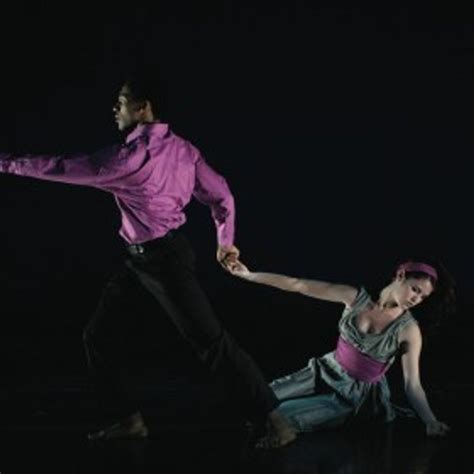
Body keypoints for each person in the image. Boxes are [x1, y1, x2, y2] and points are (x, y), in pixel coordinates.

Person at [0, 74, 295, 447]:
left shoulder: (127, 159)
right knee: (98, 336)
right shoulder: (184, 150)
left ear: (143, 109)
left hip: (164, 264)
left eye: (122, 102)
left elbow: (58, 166)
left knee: (211, 343)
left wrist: (5, 163)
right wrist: (225, 243)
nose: (115, 108)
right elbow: (222, 195)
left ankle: (276, 423)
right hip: (145, 260)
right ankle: (128, 420)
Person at [229, 258, 455, 446]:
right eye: (415, 290)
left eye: (423, 297)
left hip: (353, 394)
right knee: (259, 399)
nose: (416, 299)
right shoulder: (355, 297)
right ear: (401, 275)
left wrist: (430, 421)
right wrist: (249, 275)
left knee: (280, 418)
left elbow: (412, 383)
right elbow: (298, 284)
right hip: (325, 370)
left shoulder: (408, 330)